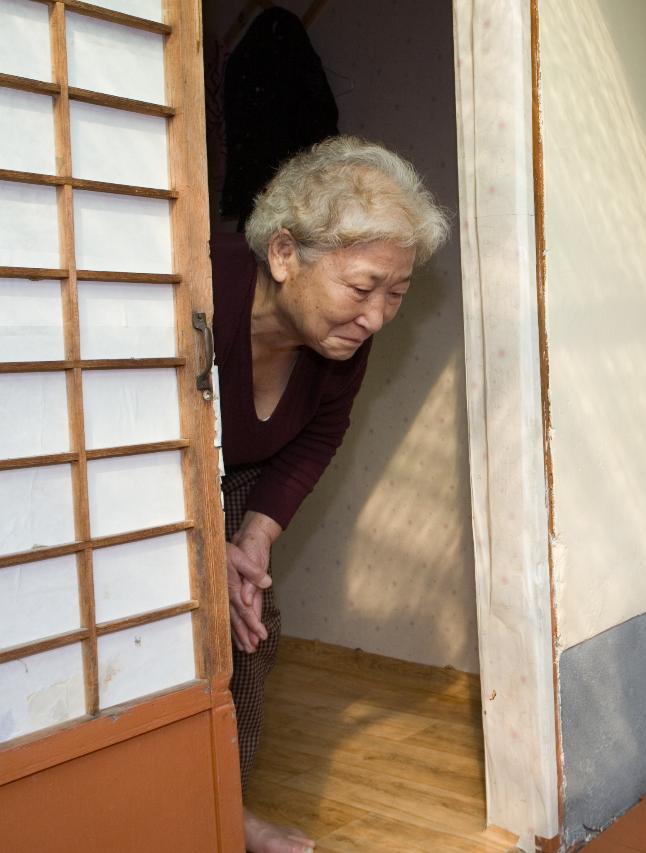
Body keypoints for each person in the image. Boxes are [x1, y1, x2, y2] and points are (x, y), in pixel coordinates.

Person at [212, 135, 449, 853]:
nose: (376, 317)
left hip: (237, 484)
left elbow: (315, 437)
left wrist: (250, 538)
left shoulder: (344, 341)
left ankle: (228, 812)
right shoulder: (198, 285)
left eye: (397, 295)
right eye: (363, 287)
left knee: (248, 630)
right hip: (138, 483)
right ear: (285, 254)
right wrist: (196, 542)